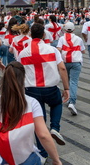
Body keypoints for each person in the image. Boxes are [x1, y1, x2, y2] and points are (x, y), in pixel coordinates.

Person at [0, 61, 62, 165]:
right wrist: (56, 159)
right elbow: (43, 135)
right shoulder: (32, 103)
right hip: (24, 158)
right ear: (23, 79)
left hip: (0, 158)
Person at [18, 23, 70, 159]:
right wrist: (66, 88)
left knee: (38, 120)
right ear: (43, 35)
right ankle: (55, 128)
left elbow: (19, 72)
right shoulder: (52, 50)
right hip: (50, 88)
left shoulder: (23, 53)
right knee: (57, 103)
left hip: (31, 90)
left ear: (30, 34)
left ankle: (42, 152)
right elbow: (63, 68)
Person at [56, 22, 86, 115]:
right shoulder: (78, 39)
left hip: (65, 62)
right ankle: (72, 102)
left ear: (65, 30)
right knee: (74, 82)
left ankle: (68, 97)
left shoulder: (61, 38)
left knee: (67, 81)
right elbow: (83, 51)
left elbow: (58, 49)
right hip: (76, 62)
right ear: (73, 30)